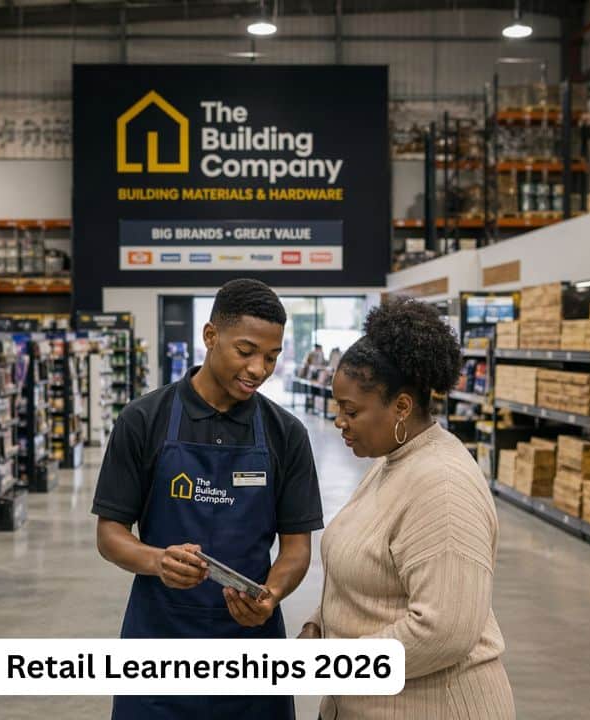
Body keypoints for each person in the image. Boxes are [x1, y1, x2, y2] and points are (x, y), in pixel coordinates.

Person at [92, 278, 323, 720]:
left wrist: (270, 595)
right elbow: (110, 534)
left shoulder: (285, 434)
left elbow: (297, 547)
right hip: (159, 641)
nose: (259, 368)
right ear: (211, 336)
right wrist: (157, 561)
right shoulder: (144, 420)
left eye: (271, 357)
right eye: (247, 351)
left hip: (250, 646)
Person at [301, 298, 515, 719]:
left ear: (401, 407)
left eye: (351, 410)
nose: (338, 421)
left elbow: (443, 631)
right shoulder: (392, 463)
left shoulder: (443, 487)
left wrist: (331, 667)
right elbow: (364, 571)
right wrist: (318, 624)